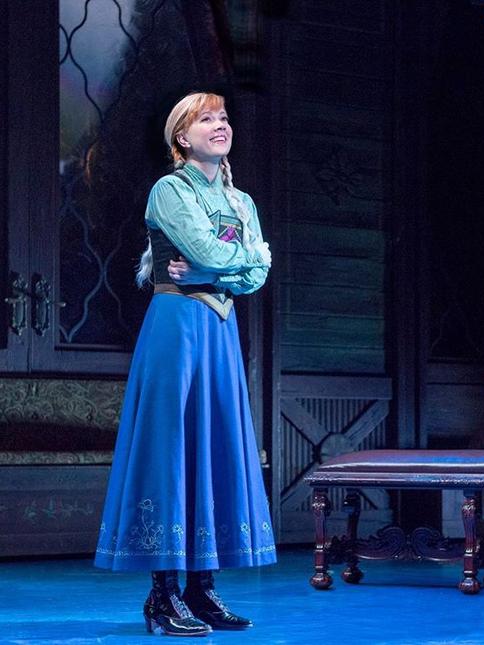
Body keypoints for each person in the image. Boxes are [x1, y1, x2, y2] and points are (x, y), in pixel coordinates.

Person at [94, 92, 276, 637]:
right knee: (171, 449)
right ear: (181, 136)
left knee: (213, 446)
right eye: (206, 119)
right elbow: (217, 255)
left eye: (223, 118)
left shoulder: (242, 201)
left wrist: (222, 269)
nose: (220, 125)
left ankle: (202, 588)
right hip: (176, 327)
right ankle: (163, 595)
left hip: (220, 331)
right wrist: (239, 261)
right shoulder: (170, 190)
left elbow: (255, 274)